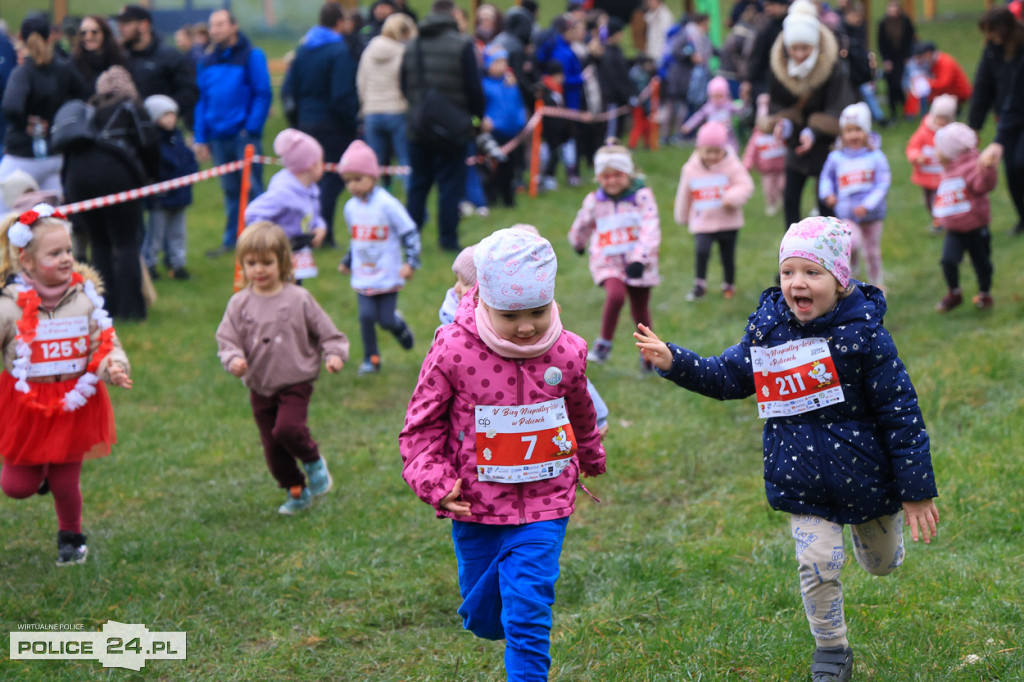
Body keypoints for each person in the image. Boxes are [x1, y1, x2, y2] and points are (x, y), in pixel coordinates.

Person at [635, 215, 940, 682]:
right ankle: (832, 650)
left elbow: (901, 415)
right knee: (817, 564)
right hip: (800, 476)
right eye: (788, 272)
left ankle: (875, 535)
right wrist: (676, 361)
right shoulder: (769, 329)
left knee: (882, 565)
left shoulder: (866, 337)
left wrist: (915, 489)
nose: (797, 283)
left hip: (867, 478)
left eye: (811, 273)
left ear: (840, 281)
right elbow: (727, 376)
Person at [399, 227, 606, 680]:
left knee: (527, 612)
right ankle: (498, 614)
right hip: (474, 505)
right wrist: (435, 483)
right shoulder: (452, 348)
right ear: (482, 299)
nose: (528, 325)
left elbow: (581, 411)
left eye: (537, 311)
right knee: (486, 618)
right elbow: (420, 428)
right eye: (512, 315)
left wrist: (590, 454)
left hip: (546, 502)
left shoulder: (566, 351)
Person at [0, 205, 133, 565]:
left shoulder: (85, 300)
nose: (66, 259)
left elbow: (104, 344)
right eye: (55, 253)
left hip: (74, 403)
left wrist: (114, 366)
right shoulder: (8, 307)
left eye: (69, 251)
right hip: (26, 406)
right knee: (16, 486)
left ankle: (71, 538)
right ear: (26, 261)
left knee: (65, 481)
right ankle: (38, 472)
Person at [215, 221, 349, 515]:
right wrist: (233, 359)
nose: (259, 270)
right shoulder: (239, 304)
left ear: (283, 262)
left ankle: (313, 461)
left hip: (295, 381)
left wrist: (335, 354)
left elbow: (329, 333)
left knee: (287, 429)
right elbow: (227, 340)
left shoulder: (299, 299)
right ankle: (296, 491)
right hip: (259, 386)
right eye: (251, 263)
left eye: (267, 262)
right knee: (273, 449)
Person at [61, 66, 158, 322]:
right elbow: (149, 144)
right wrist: (151, 177)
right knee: (126, 242)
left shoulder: (89, 110)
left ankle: (104, 307)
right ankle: (132, 310)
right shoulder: (130, 107)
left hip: (77, 176)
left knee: (100, 243)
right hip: (115, 174)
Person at [400, 0, 485, 252]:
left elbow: (403, 84)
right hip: (453, 128)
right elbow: (474, 90)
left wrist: (416, 109)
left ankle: (410, 240)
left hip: (418, 126)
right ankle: (447, 240)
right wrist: (475, 121)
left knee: (418, 184)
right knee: (450, 186)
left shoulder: (412, 45)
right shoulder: (462, 44)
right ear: (452, 15)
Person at [568, 141, 660, 369]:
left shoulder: (642, 197)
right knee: (616, 295)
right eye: (605, 176)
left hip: (638, 263)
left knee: (640, 311)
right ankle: (604, 344)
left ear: (628, 173)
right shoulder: (594, 201)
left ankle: (649, 354)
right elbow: (583, 222)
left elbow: (650, 228)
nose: (611, 181)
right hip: (607, 261)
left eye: (617, 175)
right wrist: (577, 242)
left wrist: (640, 258)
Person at [766, 0, 855, 229]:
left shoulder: (832, 67)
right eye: (794, 48)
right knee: (791, 199)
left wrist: (814, 131)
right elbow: (777, 104)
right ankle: (790, 257)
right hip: (795, 143)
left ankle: (829, 257)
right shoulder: (779, 66)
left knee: (826, 202)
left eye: (805, 48)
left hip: (824, 144)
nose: (799, 54)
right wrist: (783, 124)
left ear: (814, 45)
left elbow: (838, 106)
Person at [335, 140, 420, 375]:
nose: (352, 186)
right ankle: (371, 359)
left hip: (387, 273)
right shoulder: (350, 208)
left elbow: (409, 231)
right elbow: (357, 240)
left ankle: (398, 325)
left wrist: (410, 262)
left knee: (384, 320)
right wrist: (348, 260)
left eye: (358, 179)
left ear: (373, 177)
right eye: (347, 181)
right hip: (363, 274)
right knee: (365, 316)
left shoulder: (387, 205)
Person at [194, 9, 272, 258]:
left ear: (233, 27)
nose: (215, 30)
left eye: (220, 24)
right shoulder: (205, 61)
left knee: (252, 189)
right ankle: (233, 241)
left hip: (243, 136)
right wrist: (200, 137)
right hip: (218, 136)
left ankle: (261, 240)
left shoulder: (251, 56)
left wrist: (250, 129)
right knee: (230, 191)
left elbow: (263, 93)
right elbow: (202, 100)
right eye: (212, 25)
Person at [280, 3, 359, 248]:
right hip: (333, 124)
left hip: (306, 121)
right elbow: (341, 94)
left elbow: (288, 89)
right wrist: (351, 123)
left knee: (309, 178)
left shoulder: (303, 49)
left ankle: (305, 228)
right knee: (331, 180)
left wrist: (297, 122)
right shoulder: (338, 51)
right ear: (339, 23)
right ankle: (322, 235)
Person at [0, 14, 90, 215]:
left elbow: (11, 105)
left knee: (4, 213)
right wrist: (62, 121)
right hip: (54, 156)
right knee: (52, 215)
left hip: (22, 156)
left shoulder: (23, 72)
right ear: (50, 37)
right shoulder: (64, 67)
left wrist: (25, 123)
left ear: (20, 39)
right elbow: (84, 96)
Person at [674, 120, 755, 303]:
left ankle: (728, 284)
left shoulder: (732, 165)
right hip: (703, 221)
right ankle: (699, 284)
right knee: (701, 251)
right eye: (708, 151)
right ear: (699, 149)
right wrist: (682, 216)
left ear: (724, 149)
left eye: (717, 151)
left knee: (727, 255)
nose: (712, 156)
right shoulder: (690, 169)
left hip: (728, 222)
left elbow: (746, 185)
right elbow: (684, 194)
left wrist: (732, 197)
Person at [819, 102, 891, 288]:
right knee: (851, 244)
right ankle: (852, 275)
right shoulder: (836, 158)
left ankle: (877, 284)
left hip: (872, 215)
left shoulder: (875, 157)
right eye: (848, 130)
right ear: (842, 133)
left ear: (866, 131)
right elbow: (826, 178)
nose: (853, 135)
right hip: (847, 213)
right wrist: (828, 194)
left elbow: (882, 183)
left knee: (873, 251)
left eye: (858, 130)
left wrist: (868, 205)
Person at [244, 129, 328, 283]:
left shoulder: (310, 189)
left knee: (296, 294)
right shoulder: (284, 193)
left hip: (298, 254)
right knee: (279, 297)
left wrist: (320, 227)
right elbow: (252, 213)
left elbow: (313, 215)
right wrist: (266, 241)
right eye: (321, 161)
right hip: (277, 258)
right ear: (312, 165)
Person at [932, 124, 998, 312]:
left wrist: (987, 170)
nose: (936, 152)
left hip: (976, 228)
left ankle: (984, 294)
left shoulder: (972, 168)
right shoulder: (946, 168)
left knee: (982, 264)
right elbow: (944, 195)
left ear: (951, 151)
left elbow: (984, 185)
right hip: (954, 231)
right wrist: (939, 214)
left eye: (939, 149)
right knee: (948, 260)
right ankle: (954, 292)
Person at [969, 7, 1024, 235]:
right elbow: (983, 87)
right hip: (1008, 117)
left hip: (1018, 114)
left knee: (1021, 162)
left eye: (992, 31)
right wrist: (974, 126)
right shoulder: (992, 51)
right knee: (1011, 169)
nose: (990, 37)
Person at [357, 12, 417, 193]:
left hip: (372, 111)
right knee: (405, 161)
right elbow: (407, 82)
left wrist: (365, 104)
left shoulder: (369, 51)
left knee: (373, 164)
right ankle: (414, 207)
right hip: (396, 110)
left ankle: (372, 203)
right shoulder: (403, 52)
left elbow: (361, 81)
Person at [142, 95, 197, 281]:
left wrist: (191, 168)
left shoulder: (178, 137)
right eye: (166, 115)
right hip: (161, 198)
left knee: (178, 233)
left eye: (173, 114)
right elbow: (158, 168)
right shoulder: (152, 142)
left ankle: (177, 264)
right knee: (155, 235)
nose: (171, 119)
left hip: (180, 196)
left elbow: (188, 160)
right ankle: (149, 265)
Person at [114, 5, 197, 125]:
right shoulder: (120, 57)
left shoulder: (169, 56)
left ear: (144, 25)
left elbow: (190, 92)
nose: (120, 27)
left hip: (159, 134)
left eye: (126, 22)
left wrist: (167, 110)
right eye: (119, 23)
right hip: (127, 135)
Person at [481, 46, 527, 209]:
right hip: (494, 133)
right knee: (492, 168)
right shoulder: (483, 85)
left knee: (510, 168)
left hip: (512, 134)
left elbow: (518, 104)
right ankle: (491, 197)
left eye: (503, 62)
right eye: (497, 62)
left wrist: (522, 122)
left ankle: (509, 199)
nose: (501, 66)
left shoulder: (510, 83)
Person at [905, 93, 956, 234]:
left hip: (944, 177)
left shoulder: (951, 134)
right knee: (929, 202)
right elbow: (912, 147)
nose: (940, 121)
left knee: (940, 200)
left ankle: (941, 222)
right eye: (938, 117)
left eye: (945, 119)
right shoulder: (923, 132)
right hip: (926, 176)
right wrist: (917, 157)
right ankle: (938, 220)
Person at [742, 93, 787, 216]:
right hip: (766, 171)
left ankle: (781, 201)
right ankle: (771, 204)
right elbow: (750, 153)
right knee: (769, 189)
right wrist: (746, 166)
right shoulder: (757, 137)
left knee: (783, 186)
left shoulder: (780, 133)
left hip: (782, 167)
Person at [876, 0, 916, 121]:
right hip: (889, 58)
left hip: (902, 58)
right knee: (890, 84)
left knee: (899, 83)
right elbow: (881, 43)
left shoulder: (905, 21)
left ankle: (905, 108)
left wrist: (908, 56)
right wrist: (885, 59)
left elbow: (911, 39)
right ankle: (893, 111)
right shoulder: (883, 23)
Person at [681, 76, 744, 151]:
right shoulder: (708, 107)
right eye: (715, 96)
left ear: (725, 94)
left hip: (727, 137)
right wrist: (688, 125)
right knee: (712, 152)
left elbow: (740, 109)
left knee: (729, 151)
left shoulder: (728, 105)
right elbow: (698, 116)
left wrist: (744, 101)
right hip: (712, 135)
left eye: (720, 96)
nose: (717, 99)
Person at [907, 41, 972, 113]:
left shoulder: (945, 62)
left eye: (924, 55)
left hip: (958, 94)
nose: (923, 59)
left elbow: (944, 83)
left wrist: (926, 81)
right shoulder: (933, 62)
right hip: (949, 93)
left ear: (929, 53)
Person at [70, 15, 125, 96]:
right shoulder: (74, 63)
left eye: (94, 32)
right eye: (83, 33)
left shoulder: (119, 59)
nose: (88, 37)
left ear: (104, 34)